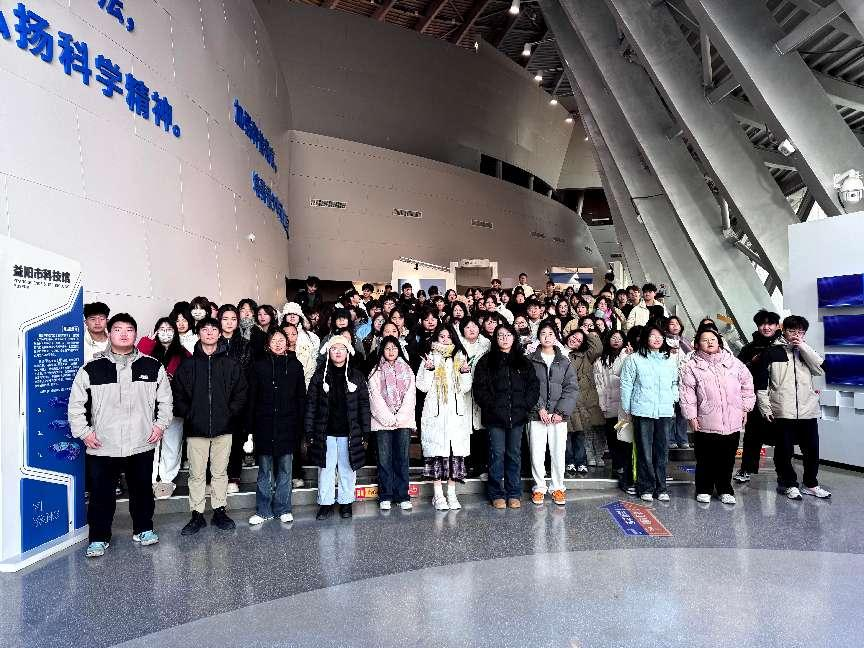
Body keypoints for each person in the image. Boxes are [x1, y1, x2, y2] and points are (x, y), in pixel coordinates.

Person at [68, 313, 173, 558]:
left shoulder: (152, 366)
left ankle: (144, 529)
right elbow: (76, 405)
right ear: (109, 333)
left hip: (141, 442)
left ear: (136, 334)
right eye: (117, 329)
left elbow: (166, 401)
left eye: (129, 329)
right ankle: (99, 537)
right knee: (101, 495)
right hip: (103, 444)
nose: (124, 334)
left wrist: (160, 426)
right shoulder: (91, 368)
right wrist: (84, 433)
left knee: (142, 491)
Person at [173, 317, 248, 535]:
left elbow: (241, 393)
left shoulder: (231, 364)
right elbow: (177, 394)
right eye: (204, 329)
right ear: (198, 333)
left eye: (213, 329)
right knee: (196, 474)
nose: (209, 333)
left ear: (219, 333)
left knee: (220, 472)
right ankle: (197, 514)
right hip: (196, 429)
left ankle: (219, 511)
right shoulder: (188, 365)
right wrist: (190, 415)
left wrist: (229, 414)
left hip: (224, 428)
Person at [754, 315, 830, 500]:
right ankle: (788, 484)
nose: (796, 335)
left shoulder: (806, 351)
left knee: (812, 450)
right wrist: (765, 408)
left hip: (807, 410)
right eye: (792, 331)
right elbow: (762, 384)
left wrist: (803, 347)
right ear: (783, 331)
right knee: (784, 451)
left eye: (800, 332)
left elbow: (821, 369)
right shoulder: (772, 352)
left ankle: (810, 484)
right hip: (782, 409)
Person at [680, 328, 755, 505]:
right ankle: (703, 488)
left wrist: (745, 408)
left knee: (727, 458)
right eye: (705, 340)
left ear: (719, 342)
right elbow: (687, 393)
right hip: (705, 420)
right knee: (705, 458)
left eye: (713, 339)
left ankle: (725, 489)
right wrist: (691, 416)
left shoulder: (734, 362)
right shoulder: (691, 366)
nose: (710, 342)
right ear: (697, 345)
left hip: (732, 419)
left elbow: (747, 385)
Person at [473, 322, 540, 510]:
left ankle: (514, 493)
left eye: (508, 335)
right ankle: (496, 493)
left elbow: (533, 387)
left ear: (514, 338)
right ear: (495, 339)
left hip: (517, 417)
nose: (504, 338)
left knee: (514, 455)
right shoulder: (486, 361)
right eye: (500, 335)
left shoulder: (523, 362)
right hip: (494, 418)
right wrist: (491, 406)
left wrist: (524, 406)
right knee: (496, 454)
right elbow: (479, 389)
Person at [305, 336, 371, 520]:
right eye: (334, 348)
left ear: (348, 351)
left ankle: (346, 502)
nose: (338, 352)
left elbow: (364, 405)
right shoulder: (319, 376)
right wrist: (309, 431)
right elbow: (311, 404)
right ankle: (325, 504)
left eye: (342, 348)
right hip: (325, 431)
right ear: (328, 352)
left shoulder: (357, 376)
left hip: (349, 432)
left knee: (347, 469)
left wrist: (365, 431)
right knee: (325, 470)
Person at [246, 330, 306, 525]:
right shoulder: (258, 366)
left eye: (282, 340)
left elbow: (301, 397)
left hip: (288, 424)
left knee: (285, 469)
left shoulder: (295, 365)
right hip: (264, 424)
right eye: (274, 340)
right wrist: (250, 428)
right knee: (264, 470)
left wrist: (300, 425)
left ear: (287, 343)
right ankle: (263, 510)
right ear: (268, 344)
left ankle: (283, 508)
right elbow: (252, 398)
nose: (278, 343)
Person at [415, 324, 473, 510]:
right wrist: (429, 369)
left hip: (455, 415)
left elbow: (465, 388)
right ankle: (438, 495)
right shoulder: (430, 356)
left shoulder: (460, 356)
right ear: (436, 338)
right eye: (442, 336)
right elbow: (422, 386)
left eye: (449, 336)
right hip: (436, 414)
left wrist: (465, 372)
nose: (445, 340)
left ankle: (452, 494)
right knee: (437, 455)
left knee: (454, 455)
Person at [619, 325, 679, 502]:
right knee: (644, 451)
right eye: (653, 336)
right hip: (642, 410)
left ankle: (661, 488)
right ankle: (646, 487)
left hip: (664, 411)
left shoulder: (669, 359)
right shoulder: (634, 359)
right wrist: (627, 408)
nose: (657, 339)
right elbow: (626, 384)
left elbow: (674, 382)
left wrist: (673, 398)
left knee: (662, 451)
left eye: (660, 336)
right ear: (645, 338)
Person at [137, 317, 191, 499]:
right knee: (149, 441)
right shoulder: (149, 350)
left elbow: (190, 379)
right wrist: (147, 343)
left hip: (175, 406)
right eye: (162, 329)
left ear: (175, 332)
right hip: (149, 405)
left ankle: (167, 479)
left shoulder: (183, 353)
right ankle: (150, 478)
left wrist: (172, 381)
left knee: (172, 443)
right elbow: (133, 362)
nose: (165, 333)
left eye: (169, 329)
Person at [527, 322, 578, 506]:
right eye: (543, 333)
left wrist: (560, 412)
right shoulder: (530, 360)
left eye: (550, 333)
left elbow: (571, 388)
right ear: (538, 336)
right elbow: (528, 387)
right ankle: (539, 488)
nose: (547, 337)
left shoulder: (564, 361)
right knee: (537, 453)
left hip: (558, 418)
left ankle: (557, 488)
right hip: (536, 415)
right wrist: (540, 408)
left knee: (558, 453)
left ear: (556, 336)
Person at [368, 336, 416, 511]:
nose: (391, 351)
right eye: (387, 348)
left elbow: (411, 396)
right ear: (382, 350)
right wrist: (389, 418)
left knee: (402, 459)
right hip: (382, 423)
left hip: (403, 421)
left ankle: (403, 495)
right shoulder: (375, 371)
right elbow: (374, 398)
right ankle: (386, 495)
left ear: (399, 350)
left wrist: (400, 417)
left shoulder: (407, 369)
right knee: (384, 459)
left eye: (394, 348)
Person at [734, 310, 782, 483]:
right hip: (755, 397)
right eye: (762, 324)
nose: (766, 327)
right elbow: (736, 371)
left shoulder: (783, 347)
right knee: (752, 435)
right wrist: (751, 363)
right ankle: (746, 469)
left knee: (783, 436)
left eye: (770, 324)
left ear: (777, 326)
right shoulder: (749, 348)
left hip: (779, 397)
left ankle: (784, 474)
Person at [218, 305, 253, 495]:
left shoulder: (245, 344)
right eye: (225, 319)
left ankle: (233, 477)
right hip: (215, 400)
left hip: (238, 400)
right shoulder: (212, 342)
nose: (229, 323)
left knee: (236, 440)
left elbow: (247, 375)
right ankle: (217, 477)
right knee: (217, 441)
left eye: (233, 319)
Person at [594, 330, 632, 491]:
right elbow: (599, 385)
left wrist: (628, 355)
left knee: (622, 437)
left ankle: (623, 466)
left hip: (623, 410)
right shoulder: (600, 361)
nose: (616, 340)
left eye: (619, 338)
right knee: (612, 438)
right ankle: (617, 466)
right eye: (613, 338)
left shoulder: (628, 357)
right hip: (609, 408)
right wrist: (602, 405)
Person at [564, 328, 605, 474]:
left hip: (581, 401)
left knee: (580, 433)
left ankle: (581, 462)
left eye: (579, 341)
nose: (575, 340)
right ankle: (569, 461)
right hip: (564, 399)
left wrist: (587, 333)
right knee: (566, 434)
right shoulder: (557, 351)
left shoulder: (585, 356)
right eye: (574, 337)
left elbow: (598, 348)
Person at [459, 318, 491, 479]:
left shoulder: (487, 345)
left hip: (481, 392)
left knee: (480, 430)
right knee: (464, 431)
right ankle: (465, 465)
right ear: (462, 330)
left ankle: (481, 467)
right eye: (467, 327)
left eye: (474, 326)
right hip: (463, 393)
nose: (471, 329)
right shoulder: (457, 347)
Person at [665, 315, 692, 450]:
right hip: (668, 383)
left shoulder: (685, 342)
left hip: (683, 382)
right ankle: (670, 439)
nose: (675, 326)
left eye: (677, 323)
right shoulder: (663, 341)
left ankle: (682, 438)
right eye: (672, 323)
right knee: (670, 413)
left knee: (682, 412)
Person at [282, 302, 321, 387]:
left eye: (295, 314)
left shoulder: (312, 337)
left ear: (300, 317)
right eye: (289, 314)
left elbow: (314, 358)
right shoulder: (279, 334)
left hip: (307, 376)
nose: (292, 316)